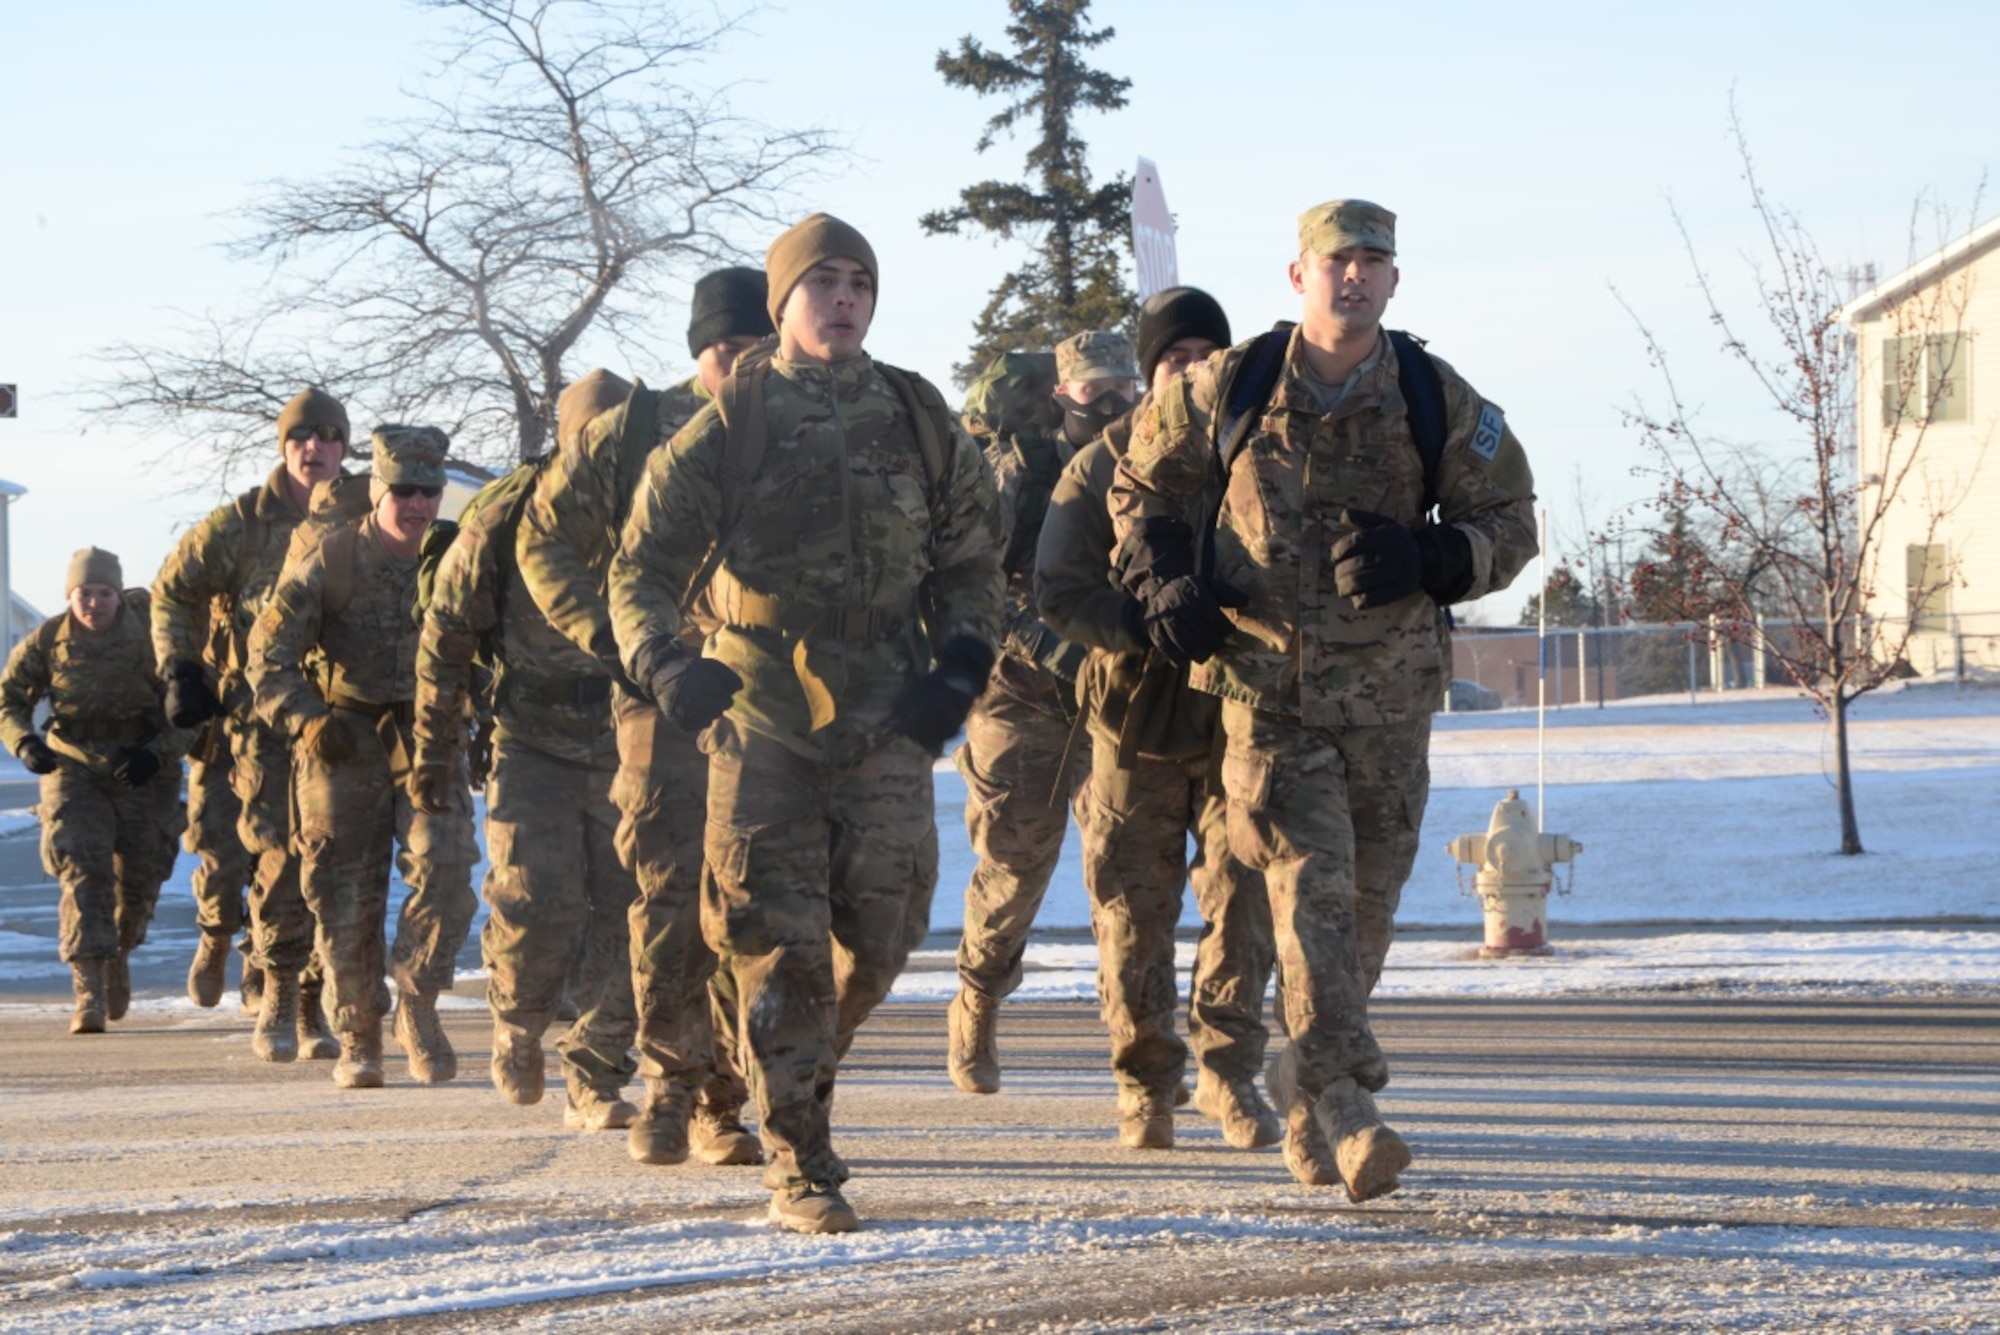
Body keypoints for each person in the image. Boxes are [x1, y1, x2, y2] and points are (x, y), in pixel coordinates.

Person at [1110, 202, 1538, 1200]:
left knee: (1366, 919)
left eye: (1371, 262)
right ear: (1296, 275)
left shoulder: (1433, 395)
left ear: (1394, 281)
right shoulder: (1234, 385)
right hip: (1267, 699)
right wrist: (1165, 577)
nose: (1352, 277)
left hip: (1389, 706)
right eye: (1334, 260)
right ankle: (1348, 1104)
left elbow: (1510, 521)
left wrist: (1432, 555)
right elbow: (1137, 482)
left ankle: (1301, 1089)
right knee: (1313, 904)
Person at [608, 214, 1003, 1233]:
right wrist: (665, 662)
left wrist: (960, 664)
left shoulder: (917, 418)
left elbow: (970, 563)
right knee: (775, 944)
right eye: (820, 281)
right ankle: (802, 1164)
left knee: (878, 938)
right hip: (760, 714)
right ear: (781, 301)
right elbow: (641, 571)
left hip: (886, 713)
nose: (841, 298)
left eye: (857, 283)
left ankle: (774, 1048)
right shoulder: (728, 423)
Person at [516, 267, 774, 1170]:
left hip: (778, 701)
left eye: (755, 346)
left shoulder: (817, 416)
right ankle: (672, 1086)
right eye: (723, 350)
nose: (739, 364)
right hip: (663, 697)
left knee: (754, 903)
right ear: (697, 350)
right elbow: (541, 536)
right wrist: (615, 641)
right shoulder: (635, 434)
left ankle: (733, 1099)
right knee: (665, 892)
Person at [1036, 286, 1284, 1151]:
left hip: (1239, 723)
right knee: (1133, 916)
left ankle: (1230, 1073)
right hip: (1132, 726)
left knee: (1244, 906)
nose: (1189, 370)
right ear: (1148, 371)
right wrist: (1143, 622)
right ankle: (1147, 1083)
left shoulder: (1255, 455)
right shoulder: (1101, 462)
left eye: (1204, 356)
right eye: (1173, 358)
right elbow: (1057, 590)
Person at [412, 369, 644, 1133]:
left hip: (629, 737)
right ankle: (516, 1024)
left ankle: (595, 1070)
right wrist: (432, 750)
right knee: (533, 898)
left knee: (628, 905)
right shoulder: (506, 513)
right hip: (531, 739)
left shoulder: (664, 500)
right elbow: (445, 638)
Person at [248, 426, 480, 1089]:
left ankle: (418, 1001)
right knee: (341, 893)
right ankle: (357, 1032)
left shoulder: (454, 560)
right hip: (341, 740)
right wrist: (308, 719)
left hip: (428, 737)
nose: (417, 504)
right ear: (378, 489)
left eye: (429, 491)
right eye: (403, 490)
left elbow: (486, 647)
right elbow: (266, 659)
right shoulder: (330, 559)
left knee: (448, 869)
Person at [945, 331, 1138, 1096]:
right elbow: (972, 584)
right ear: (1065, 397)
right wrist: (1051, 643)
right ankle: (977, 1001)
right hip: (1023, 693)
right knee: (1014, 867)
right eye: (1097, 392)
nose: (1115, 402)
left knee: (1123, 875)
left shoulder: (1152, 463)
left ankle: (1138, 1056)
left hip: (1116, 701)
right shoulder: (1020, 477)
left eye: (1125, 387)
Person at [152, 387, 350, 1056]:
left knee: (338, 854)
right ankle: (276, 984)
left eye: (327, 436)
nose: (313, 449)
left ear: (344, 446)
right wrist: (180, 666)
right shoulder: (239, 523)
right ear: (284, 446)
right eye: (300, 437)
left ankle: (314, 997)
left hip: (344, 715)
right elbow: (173, 589)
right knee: (275, 851)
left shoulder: (366, 511)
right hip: (259, 718)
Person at [3, 549, 191, 1034]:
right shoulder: (48, 640)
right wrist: (24, 742)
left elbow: (194, 712)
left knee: (141, 878)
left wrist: (158, 753)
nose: (94, 603)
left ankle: (119, 952)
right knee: (83, 868)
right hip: (76, 765)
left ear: (117, 594)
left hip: (144, 766)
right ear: (70, 596)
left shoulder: (155, 638)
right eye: (84, 594)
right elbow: (8, 699)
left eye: (103, 593)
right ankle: (89, 988)